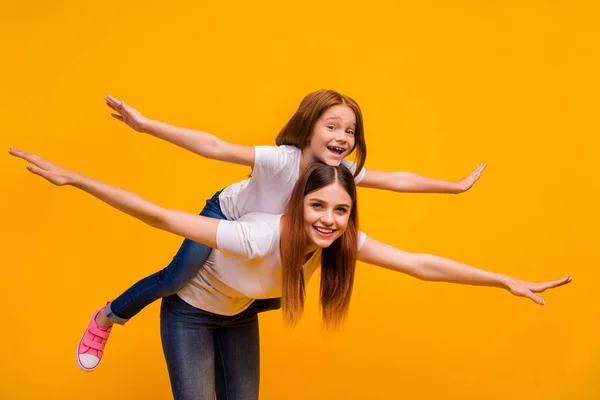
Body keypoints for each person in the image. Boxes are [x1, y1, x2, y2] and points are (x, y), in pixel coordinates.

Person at [10, 148, 570, 400]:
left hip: (240, 314)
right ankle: (108, 316)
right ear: (299, 204)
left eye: (341, 210)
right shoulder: (258, 231)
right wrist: (76, 179)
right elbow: (158, 214)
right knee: (173, 278)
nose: (329, 220)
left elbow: (420, 264)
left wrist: (504, 281)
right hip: (191, 315)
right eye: (319, 208)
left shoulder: (341, 241)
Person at [76, 90, 486, 370]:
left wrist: (452, 187)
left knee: (275, 292)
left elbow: (398, 179)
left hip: (270, 239)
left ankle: (226, 327)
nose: (343, 137)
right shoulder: (280, 159)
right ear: (309, 126)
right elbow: (215, 147)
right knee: (177, 277)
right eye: (333, 126)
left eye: (350, 131)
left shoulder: (338, 175)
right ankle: (108, 316)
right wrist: (147, 126)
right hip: (226, 215)